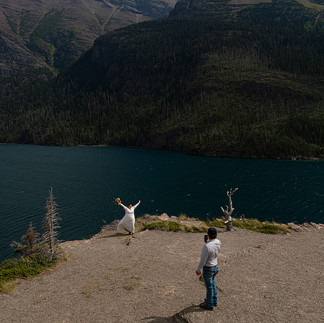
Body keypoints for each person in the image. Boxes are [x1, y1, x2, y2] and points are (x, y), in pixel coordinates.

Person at [196, 227, 221, 310]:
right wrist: (208, 241)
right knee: (213, 283)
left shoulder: (206, 247)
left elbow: (203, 260)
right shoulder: (218, 242)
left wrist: (198, 269)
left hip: (208, 268)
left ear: (208, 235)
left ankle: (209, 304)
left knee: (209, 286)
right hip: (215, 267)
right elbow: (214, 249)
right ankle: (214, 300)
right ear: (216, 235)